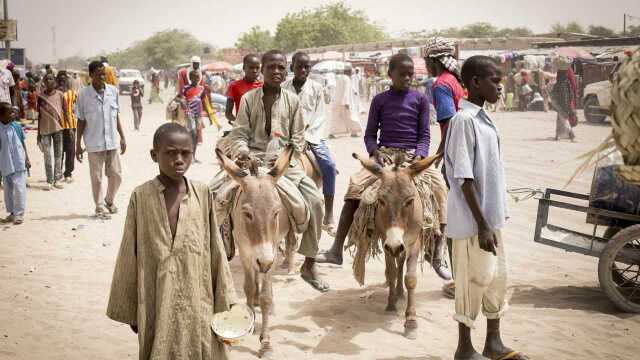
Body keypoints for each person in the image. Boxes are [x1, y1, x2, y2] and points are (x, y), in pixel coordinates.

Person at [107, 122, 237, 360]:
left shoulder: (203, 193)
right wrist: (131, 310)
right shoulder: (141, 196)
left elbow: (215, 250)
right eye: (170, 153)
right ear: (154, 155)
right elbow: (129, 252)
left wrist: (226, 300)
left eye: (185, 153)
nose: (179, 159)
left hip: (199, 299)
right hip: (156, 298)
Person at [317, 54, 450, 283]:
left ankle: (437, 254)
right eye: (403, 74)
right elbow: (370, 135)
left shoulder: (420, 100)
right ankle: (336, 249)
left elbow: (424, 135)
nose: (408, 78)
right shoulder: (380, 100)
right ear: (390, 75)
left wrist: (419, 154)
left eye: (411, 74)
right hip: (385, 155)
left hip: (412, 157)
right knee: (355, 187)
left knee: (439, 188)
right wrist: (375, 152)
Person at [213, 50, 329, 292]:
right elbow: (240, 132)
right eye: (271, 67)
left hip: (284, 164)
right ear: (262, 70)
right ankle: (219, 250)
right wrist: (244, 153)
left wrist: (282, 159)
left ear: (285, 70)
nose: (276, 71)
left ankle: (309, 263)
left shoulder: (293, 101)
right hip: (251, 161)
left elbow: (298, 139)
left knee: (316, 201)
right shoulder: (248, 99)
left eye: (280, 67)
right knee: (215, 194)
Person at [445, 56, 528, 360]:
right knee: (472, 280)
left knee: (496, 279)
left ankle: (493, 342)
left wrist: (490, 222)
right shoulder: (463, 120)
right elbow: (464, 178)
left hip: (491, 219)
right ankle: (464, 348)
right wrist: (480, 224)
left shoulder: (484, 118)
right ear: (474, 82)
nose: (499, 85)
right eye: (494, 80)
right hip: (473, 222)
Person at [423, 37, 465, 288]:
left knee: (446, 212)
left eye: (426, 61)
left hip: (454, 155)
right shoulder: (457, 81)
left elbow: (449, 126)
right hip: (465, 152)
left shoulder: (440, 85)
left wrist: (437, 158)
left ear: (433, 61)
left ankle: (443, 263)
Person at [283, 51, 338, 235]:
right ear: (292, 67)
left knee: (329, 166)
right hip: (286, 136)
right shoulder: (283, 88)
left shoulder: (316, 88)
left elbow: (319, 116)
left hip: (311, 135)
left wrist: (305, 137)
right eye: (299, 66)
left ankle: (329, 213)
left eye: (307, 67)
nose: (303, 70)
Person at [76, 61, 126, 219]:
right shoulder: (83, 95)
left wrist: (123, 137)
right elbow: (81, 120)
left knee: (116, 175)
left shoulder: (113, 91)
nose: (103, 77)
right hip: (93, 143)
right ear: (91, 75)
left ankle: (109, 201)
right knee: (96, 178)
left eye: (104, 73)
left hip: (112, 142)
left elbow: (116, 116)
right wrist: (77, 144)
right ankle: (99, 207)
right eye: (99, 74)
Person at [0, 102, 30, 225]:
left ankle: (19, 214)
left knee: (19, 187)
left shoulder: (17, 126)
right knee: (8, 189)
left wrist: (27, 158)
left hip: (19, 161)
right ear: (1, 116)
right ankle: (12, 213)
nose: (13, 114)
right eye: (10, 112)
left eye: (13, 112)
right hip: (5, 161)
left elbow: (22, 143)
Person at [37, 73, 67, 190]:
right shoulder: (40, 97)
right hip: (45, 131)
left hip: (58, 129)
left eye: (51, 79)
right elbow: (39, 116)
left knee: (58, 155)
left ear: (54, 81)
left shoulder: (60, 95)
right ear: (44, 82)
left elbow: (65, 112)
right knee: (47, 156)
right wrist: (38, 134)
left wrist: (68, 129)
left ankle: (57, 179)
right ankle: (49, 180)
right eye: (47, 79)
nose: (49, 81)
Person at [182, 70, 211, 163]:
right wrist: (185, 108)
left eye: (198, 78)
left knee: (196, 136)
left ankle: (193, 157)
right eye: (194, 78)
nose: (197, 79)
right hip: (189, 113)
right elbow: (181, 99)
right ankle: (188, 156)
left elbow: (203, 101)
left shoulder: (201, 88)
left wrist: (209, 116)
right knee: (193, 133)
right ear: (190, 78)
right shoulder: (186, 88)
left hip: (198, 114)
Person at [225, 54, 262, 125]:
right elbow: (228, 113)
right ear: (244, 68)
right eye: (251, 67)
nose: (254, 71)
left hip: (261, 129)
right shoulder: (234, 86)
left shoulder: (264, 86)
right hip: (242, 129)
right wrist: (238, 123)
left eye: (257, 68)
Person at [57, 71, 78, 183]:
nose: (62, 80)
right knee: (59, 150)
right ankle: (58, 172)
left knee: (70, 150)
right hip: (58, 126)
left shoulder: (72, 93)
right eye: (60, 79)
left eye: (64, 79)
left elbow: (76, 106)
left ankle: (68, 173)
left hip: (71, 125)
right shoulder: (54, 93)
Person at [329, 67, 362, 137]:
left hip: (337, 101)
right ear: (349, 72)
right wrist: (346, 102)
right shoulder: (347, 79)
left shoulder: (339, 78)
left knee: (336, 117)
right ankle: (354, 132)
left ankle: (332, 133)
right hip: (344, 102)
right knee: (350, 116)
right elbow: (346, 91)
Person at [551, 58, 577, 141]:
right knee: (562, 115)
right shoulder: (567, 77)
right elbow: (573, 84)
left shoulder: (560, 79)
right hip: (566, 95)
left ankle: (569, 133)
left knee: (562, 115)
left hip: (562, 96)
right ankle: (560, 134)